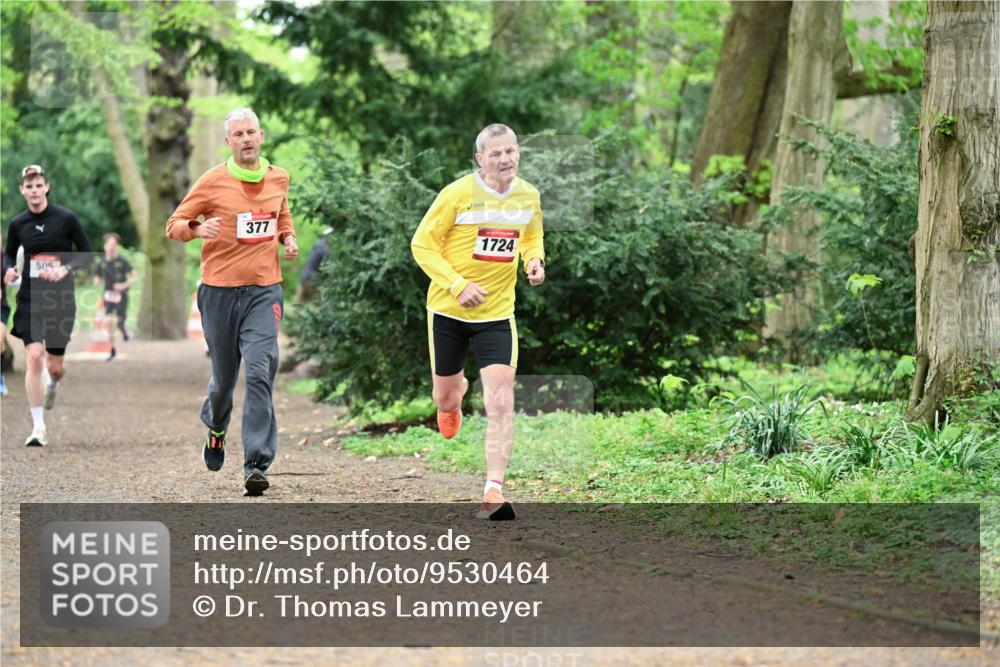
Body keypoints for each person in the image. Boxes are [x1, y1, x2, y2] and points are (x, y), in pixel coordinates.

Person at [411, 123, 545, 520]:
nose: (506, 159)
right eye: (496, 153)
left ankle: (493, 490)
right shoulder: (456, 195)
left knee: (501, 401)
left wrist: (534, 261)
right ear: (480, 159)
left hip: (497, 314)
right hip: (449, 310)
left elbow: (530, 238)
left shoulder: (529, 196)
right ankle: (453, 396)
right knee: (446, 397)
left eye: (511, 151)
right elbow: (422, 244)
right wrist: (456, 284)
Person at [166, 107, 298, 496]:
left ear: (262, 135)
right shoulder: (213, 181)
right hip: (220, 293)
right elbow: (173, 224)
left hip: (264, 290)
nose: (246, 139)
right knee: (224, 382)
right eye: (238, 134)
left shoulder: (279, 177)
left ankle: (256, 462)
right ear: (228, 142)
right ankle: (216, 424)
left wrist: (287, 238)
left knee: (259, 371)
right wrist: (196, 227)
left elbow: (281, 216)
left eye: (251, 132)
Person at [3, 164, 93, 446]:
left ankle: (53, 383)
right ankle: (38, 427)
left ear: (46, 187)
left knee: (53, 367)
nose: (34, 190)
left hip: (60, 298)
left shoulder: (66, 219)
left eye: (38, 185)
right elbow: (8, 255)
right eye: (28, 186)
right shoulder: (18, 224)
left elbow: (87, 254)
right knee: (32, 357)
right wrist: (9, 270)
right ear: (22, 190)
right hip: (30, 298)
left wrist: (65, 269)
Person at [93, 233, 136, 361]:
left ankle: (123, 329)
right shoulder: (101, 262)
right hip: (108, 295)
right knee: (110, 322)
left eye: (114, 245)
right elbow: (98, 277)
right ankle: (113, 351)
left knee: (120, 321)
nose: (111, 247)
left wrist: (124, 285)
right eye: (109, 245)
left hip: (122, 295)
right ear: (105, 246)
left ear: (117, 246)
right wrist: (96, 281)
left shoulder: (122, 261)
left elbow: (134, 275)